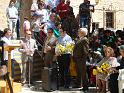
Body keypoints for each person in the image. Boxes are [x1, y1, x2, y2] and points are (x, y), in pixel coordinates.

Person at [73, 28, 89, 92]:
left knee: (83, 73)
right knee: (78, 72)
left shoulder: (84, 40)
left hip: (81, 59)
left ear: (82, 33)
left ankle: (85, 87)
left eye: (79, 31)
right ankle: (78, 84)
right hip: (77, 58)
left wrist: (83, 59)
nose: (78, 32)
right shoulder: (79, 39)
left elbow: (85, 51)